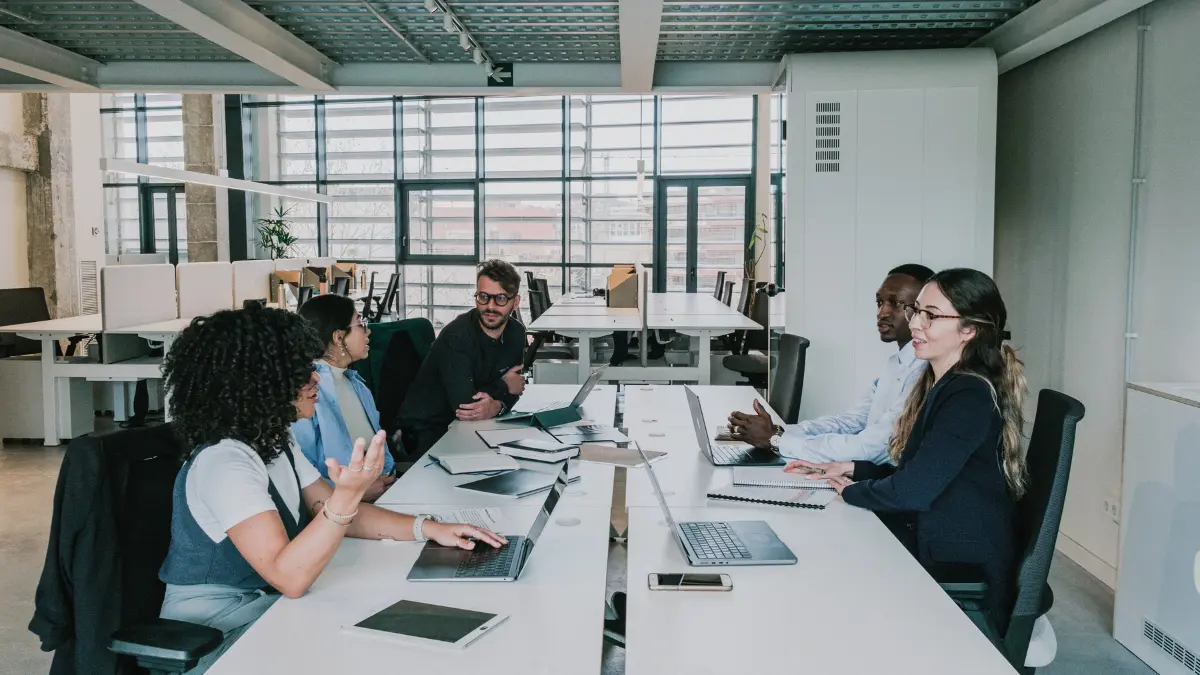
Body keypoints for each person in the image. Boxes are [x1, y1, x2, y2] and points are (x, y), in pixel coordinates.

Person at [158, 306, 505, 673]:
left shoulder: (273, 443)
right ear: (258, 381)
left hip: (268, 609)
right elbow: (290, 576)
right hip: (218, 636)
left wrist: (430, 528)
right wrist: (347, 495)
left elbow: (330, 509)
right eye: (299, 372)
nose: (315, 378)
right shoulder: (226, 463)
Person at [789, 268, 1027, 631]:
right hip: (939, 528)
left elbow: (913, 490)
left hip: (956, 550)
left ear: (969, 329)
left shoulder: (968, 395)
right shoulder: (945, 383)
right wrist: (854, 469)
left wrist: (853, 492)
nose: (916, 323)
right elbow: (919, 473)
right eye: (916, 311)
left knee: (829, 553)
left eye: (931, 315)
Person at [727, 264, 934, 463]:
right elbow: (851, 422)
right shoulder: (896, 364)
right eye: (880, 303)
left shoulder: (925, 373)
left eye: (896, 304)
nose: (882, 313)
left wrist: (777, 440)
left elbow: (875, 448)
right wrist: (778, 431)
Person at [399, 259, 527, 456]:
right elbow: (466, 407)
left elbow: (515, 390)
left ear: (515, 302)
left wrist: (498, 405)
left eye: (500, 298)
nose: (490, 306)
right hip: (429, 432)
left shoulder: (516, 333)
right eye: (483, 297)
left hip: (477, 428)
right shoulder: (456, 337)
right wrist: (503, 387)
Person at [292, 294, 395, 502]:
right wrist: (358, 491)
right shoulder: (307, 393)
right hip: (341, 507)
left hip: (386, 493)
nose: (368, 331)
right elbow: (302, 473)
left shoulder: (355, 383)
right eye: (361, 324)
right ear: (338, 337)